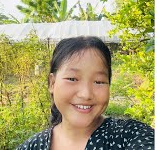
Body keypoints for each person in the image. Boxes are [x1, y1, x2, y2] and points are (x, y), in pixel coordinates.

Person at [17, 36, 154, 150]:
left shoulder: (131, 135)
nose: (86, 94)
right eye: (72, 79)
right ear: (52, 83)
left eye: (99, 81)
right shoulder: (33, 145)